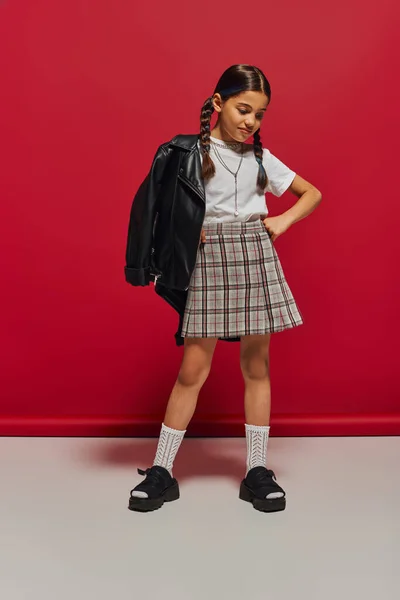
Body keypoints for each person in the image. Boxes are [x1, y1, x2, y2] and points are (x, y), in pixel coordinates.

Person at [124, 64, 322, 513]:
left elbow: (312, 194)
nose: (251, 121)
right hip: (208, 260)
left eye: (260, 114)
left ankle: (256, 471)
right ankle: (162, 471)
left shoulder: (260, 159)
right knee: (193, 369)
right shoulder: (187, 152)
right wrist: (172, 243)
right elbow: (155, 208)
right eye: (243, 108)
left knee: (257, 366)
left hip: (255, 254)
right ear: (218, 103)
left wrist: (281, 221)